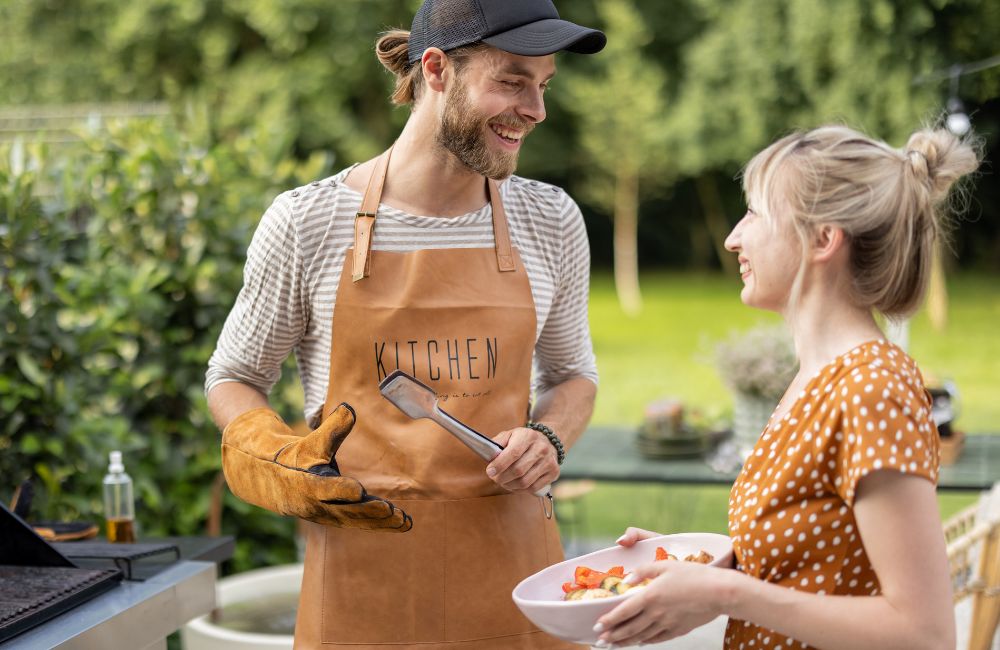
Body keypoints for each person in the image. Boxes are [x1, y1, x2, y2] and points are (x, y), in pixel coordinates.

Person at [206, 1, 604, 648]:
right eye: (512, 81)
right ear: (438, 70)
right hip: (360, 590)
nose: (536, 109)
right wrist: (271, 451)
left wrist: (549, 438)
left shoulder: (550, 220)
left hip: (515, 585)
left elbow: (572, 375)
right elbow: (236, 376)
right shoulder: (307, 222)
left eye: (543, 84)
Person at [593, 125, 980, 650]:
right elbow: (823, 553)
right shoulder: (815, 377)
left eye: (753, 212)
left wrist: (727, 591)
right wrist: (696, 569)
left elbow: (924, 633)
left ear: (823, 238)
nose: (733, 237)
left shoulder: (872, 388)